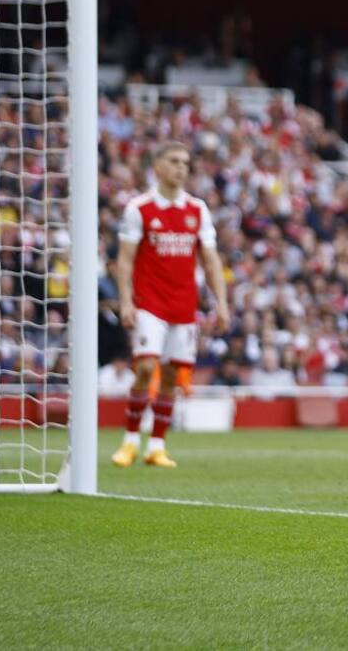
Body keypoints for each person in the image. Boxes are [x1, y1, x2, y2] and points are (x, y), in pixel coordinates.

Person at [110, 141, 230, 469]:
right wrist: (126, 302)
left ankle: (157, 446)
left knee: (171, 376)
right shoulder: (139, 208)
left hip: (184, 305)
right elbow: (125, 260)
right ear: (158, 166)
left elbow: (211, 260)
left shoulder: (197, 210)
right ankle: (130, 441)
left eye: (185, 163)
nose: (181, 168)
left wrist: (221, 303)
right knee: (146, 368)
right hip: (149, 303)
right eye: (174, 161)